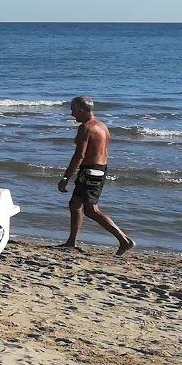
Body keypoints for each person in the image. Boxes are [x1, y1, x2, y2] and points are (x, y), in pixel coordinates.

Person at [59, 96, 135, 254]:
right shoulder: (102, 126)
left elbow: (79, 156)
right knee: (75, 204)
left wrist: (66, 178)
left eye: (73, 110)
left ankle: (124, 240)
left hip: (90, 172)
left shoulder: (86, 128)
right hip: (99, 169)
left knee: (91, 210)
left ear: (81, 109)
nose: (72, 114)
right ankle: (71, 241)